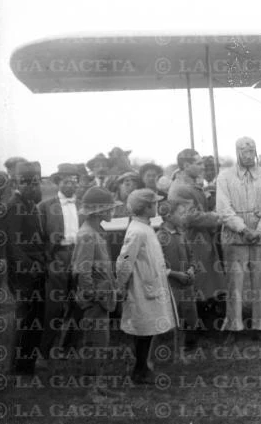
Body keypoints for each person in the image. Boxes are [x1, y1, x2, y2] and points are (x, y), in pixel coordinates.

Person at [216, 137, 261, 340]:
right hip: (235, 238)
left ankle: (260, 326)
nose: (248, 153)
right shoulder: (225, 177)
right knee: (235, 283)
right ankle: (234, 326)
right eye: (244, 150)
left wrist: (259, 231)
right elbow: (223, 208)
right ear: (237, 152)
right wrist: (243, 229)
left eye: (251, 149)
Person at [116, 189, 177, 384]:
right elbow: (124, 260)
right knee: (143, 329)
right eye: (154, 203)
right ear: (146, 207)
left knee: (148, 328)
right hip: (141, 287)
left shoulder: (145, 228)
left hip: (150, 284)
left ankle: (142, 367)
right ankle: (139, 369)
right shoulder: (136, 231)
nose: (157, 206)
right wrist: (121, 284)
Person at [71, 186, 122, 399]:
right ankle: (91, 390)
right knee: (94, 344)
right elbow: (82, 271)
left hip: (102, 299)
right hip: (95, 301)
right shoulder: (87, 235)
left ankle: (99, 385)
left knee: (101, 342)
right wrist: (93, 296)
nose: (113, 213)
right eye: (110, 209)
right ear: (99, 211)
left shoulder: (96, 232)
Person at [168, 149, 224, 333]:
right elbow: (188, 217)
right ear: (185, 165)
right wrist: (215, 217)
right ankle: (196, 327)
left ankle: (205, 321)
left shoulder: (191, 185)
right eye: (198, 163)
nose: (202, 166)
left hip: (201, 239)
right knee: (197, 282)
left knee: (205, 282)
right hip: (191, 240)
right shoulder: (180, 187)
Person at [0, 161, 46, 374]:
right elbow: (13, 245)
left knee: (35, 318)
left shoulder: (29, 204)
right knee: (26, 318)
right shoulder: (15, 206)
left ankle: (27, 363)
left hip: (35, 270)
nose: (32, 187)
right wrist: (30, 266)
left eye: (36, 182)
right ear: (18, 183)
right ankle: (19, 367)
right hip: (23, 274)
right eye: (27, 182)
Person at [36, 162, 84, 368]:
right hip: (58, 256)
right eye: (66, 180)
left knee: (80, 302)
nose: (71, 184)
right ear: (58, 182)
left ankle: (69, 348)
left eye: (74, 181)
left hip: (80, 255)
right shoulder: (45, 206)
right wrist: (47, 260)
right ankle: (43, 353)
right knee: (54, 307)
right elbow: (38, 237)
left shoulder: (83, 204)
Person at [158, 196, 199, 348]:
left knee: (189, 313)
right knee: (174, 315)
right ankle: (173, 347)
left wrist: (192, 268)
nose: (184, 217)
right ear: (168, 216)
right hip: (171, 285)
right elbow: (158, 264)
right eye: (180, 214)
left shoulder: (182, 235)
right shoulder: (160, 237)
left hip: (187, 284)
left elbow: (192, 255)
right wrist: (175, 274)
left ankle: (189, 343)